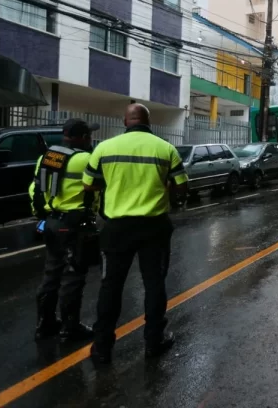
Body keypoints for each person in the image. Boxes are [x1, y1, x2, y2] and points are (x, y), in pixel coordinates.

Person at [83, 103, 188, 364]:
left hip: (116, 229)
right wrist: (165, 195)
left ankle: (102, 349)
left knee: (110, 288)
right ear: (148, 122)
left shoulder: (104, 148)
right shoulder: (166, 149)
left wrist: (114, 186)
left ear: (125, 121)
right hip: (154, 227)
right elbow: (182, 187)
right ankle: (154, 342)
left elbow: (89, 184)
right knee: (154, 285)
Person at [32, 119, 100, 342]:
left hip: (51, 221)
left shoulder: (47, 156)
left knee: (51, 273)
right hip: (74, 225)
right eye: (88, 135)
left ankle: (45, 324)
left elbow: (35, 189)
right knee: (73, 276)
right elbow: (99, 187)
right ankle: (70, 328)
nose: (91, 139)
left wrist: (42, 216)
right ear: (80, 137)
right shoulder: (85, 159)